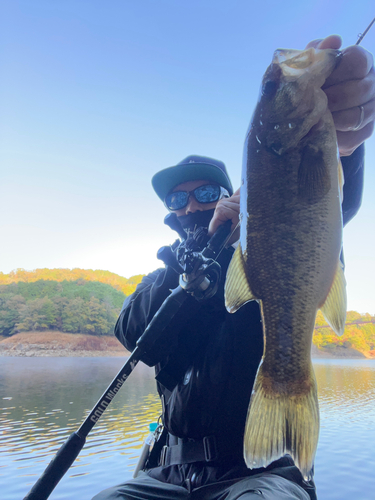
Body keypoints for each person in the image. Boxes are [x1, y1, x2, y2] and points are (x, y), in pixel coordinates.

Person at [93, 36, 375, 500]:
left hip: (259, 474)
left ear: (229, 195)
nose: (189, 206)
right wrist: (192, 263)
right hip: (168, 475)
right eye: (177, 198)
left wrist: (347, 149)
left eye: (204, 194)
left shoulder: (255, 244)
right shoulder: (162, 275)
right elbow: (133, 332)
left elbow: (325, 210)